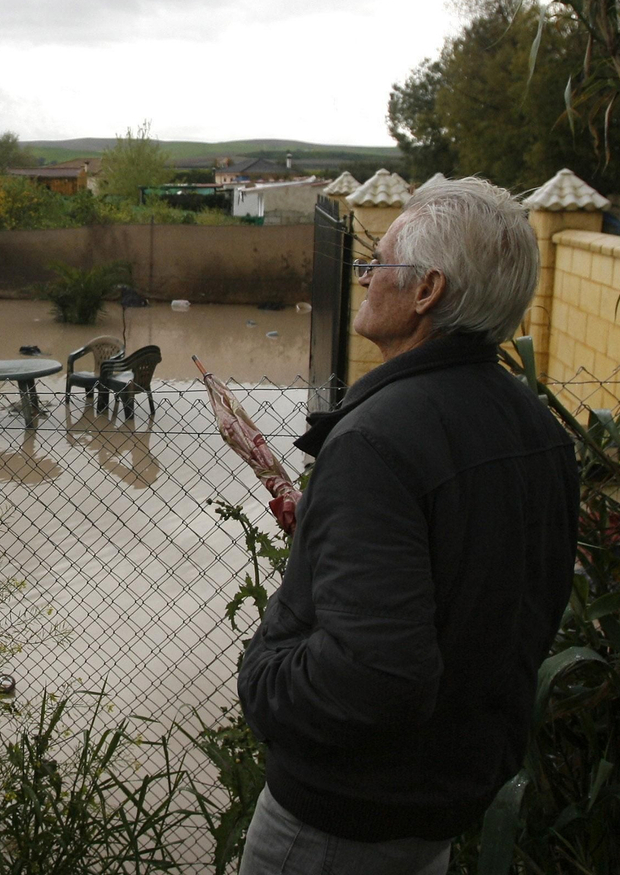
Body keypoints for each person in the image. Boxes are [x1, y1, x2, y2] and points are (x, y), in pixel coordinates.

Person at [236, 178, 578, 874]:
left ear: (427, 290)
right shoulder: (538, 429)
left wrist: (261, 675)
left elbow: (374, 674)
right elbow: (509, 609)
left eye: (379, 262)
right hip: (442, 805)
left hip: (338, 820)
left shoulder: (378, 439)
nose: (364, 275)